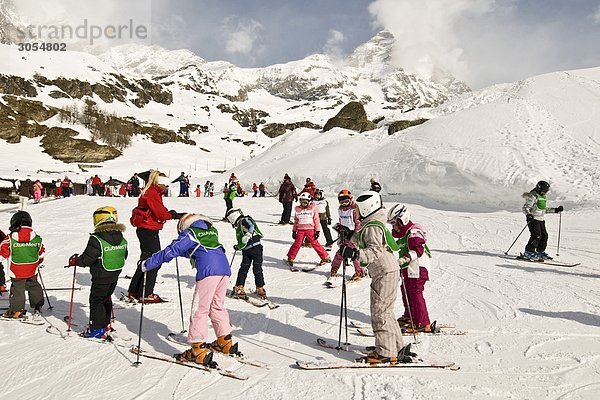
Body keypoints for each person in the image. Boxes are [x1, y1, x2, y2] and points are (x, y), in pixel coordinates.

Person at [140, 214, 238, 367]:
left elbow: (170, 250)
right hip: (224, 269)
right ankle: (225, 341)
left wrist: (148, 264)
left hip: (208, 271)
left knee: (199, 310)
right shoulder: (211, 231)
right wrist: (182, 252)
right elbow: (202, 249)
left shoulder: (190, 233)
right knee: (216, 306)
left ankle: (197, 350)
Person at [340, 191, 413, 364]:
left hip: (384, 271)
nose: (355, 212)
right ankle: (395, 346)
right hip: (385, 271)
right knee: (385, 310)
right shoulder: (371, 223)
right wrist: (348, 234)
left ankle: (386, 352)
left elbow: (374, 250)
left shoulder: (372, 226)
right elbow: (360, 239)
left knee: (380, 312)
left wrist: (354, 253)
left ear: (367, 208)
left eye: (357, 209)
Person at [67, 206, 127, 338]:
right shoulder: (119, 235)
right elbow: (125, 254)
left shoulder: (97, 238)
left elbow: (88, 259)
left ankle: (97, 328)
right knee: (106, 297)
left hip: (101, 275)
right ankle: (105, 323)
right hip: (114, 273)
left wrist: (76, 261)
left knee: (96, 300)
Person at [128, 170, 183, 303]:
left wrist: (171, 213)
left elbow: (158, 211)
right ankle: (146, 293)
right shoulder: (152, 193)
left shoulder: (153, 191)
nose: (167, 188)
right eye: (166, 185)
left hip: (146, 228)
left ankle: (135, 290)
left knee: (145, 260)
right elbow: (161, 214)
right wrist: (173, 215)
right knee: (154, 261)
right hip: (148, 230)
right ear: (161, 184)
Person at [388, 204, 433, 333]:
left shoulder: (414, 232)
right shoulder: (404, 235)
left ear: (403, 219)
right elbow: (396, 246)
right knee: (406, 290)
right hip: (409, 268)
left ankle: (422, 322)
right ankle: (410, 316)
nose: (394, 227)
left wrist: (406, 258)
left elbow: (418, 250)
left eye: (395, 223)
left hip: (418, 267)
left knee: (414, 292)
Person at [0, 211, 45, 319]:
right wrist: (38, 262)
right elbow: (41, 252)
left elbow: (3, 252)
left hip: (17, 269)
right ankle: (38, 305)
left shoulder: (10, 239)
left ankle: (16, 310)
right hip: (32, 268)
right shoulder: (36, 238)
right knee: (34, 285)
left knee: (17, 289)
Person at [225, 208, 266, 299]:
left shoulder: (244, 220)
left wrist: (249, 234)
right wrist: (238, 246)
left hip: (256, 249)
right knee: (245, 268)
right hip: (248, 250)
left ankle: (260, 287)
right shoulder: (239, 225)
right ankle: (241, 286)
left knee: (256, 268)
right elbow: (243, 242)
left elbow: (251, 225)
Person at [521, 180, 564, 261]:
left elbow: (543, 210)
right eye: (544, 191)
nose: (545, 192)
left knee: (544, 236)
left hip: (541, 219)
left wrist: (556, 210)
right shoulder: (533, 196)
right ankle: (528, 252)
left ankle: (540, 251)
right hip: (533, 219)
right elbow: (525, 208)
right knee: (536, 235)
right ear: (539, 189)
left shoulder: (542, 197)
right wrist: (528, 214)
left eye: (546, 191)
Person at [329, 190, 365, 281]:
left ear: (350, 199)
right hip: (344, 234)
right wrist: (339, 229)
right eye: (342, 201)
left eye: (346, 201)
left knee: (353, 254)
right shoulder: (340, 210)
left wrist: (355, 235)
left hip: (353, 235)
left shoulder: (354, 209)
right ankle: (334, 268)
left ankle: (359, 271)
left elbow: (358, 223)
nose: (344, 203)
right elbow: (341, 221)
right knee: (341, 252)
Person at [286, 192, 330, 267]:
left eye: (305, 202)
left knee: (315, 243)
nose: (303, 204)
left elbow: (316, 220)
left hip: (310, 229)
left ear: (309, 201)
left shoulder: (313, 208)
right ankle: (290, 257)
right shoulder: (298, 209)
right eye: (302, 202)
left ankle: (325, 257)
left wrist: (317, 231)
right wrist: (294, 231)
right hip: (300, 230)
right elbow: (296, 221)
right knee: (297, 243)